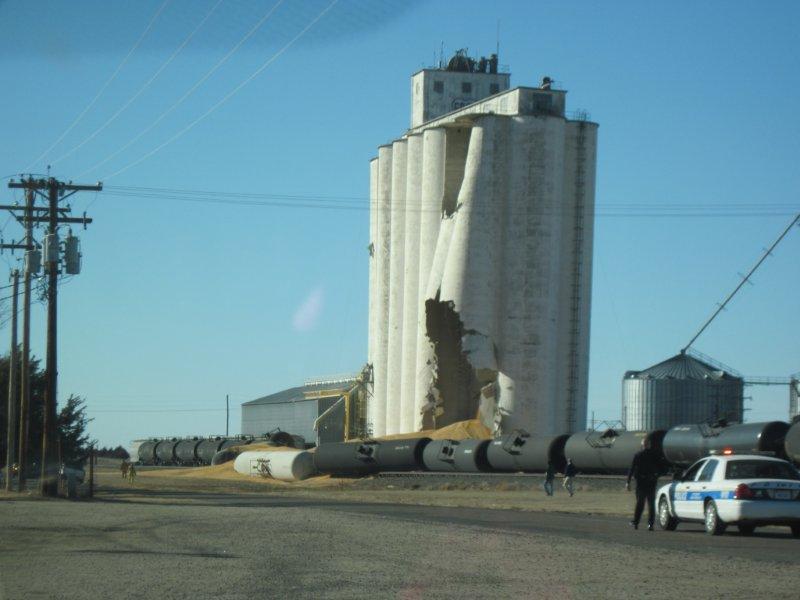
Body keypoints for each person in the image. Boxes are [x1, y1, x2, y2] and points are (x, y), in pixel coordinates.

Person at [626, 437, 665, 530]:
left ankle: (636, 522)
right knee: (651, 503)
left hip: (641, 481)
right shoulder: (655, 455)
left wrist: (628, 481)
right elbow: (662, 468)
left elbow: (632, 468)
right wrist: (656, 475)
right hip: (652, 481)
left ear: (642, 445)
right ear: (649, 445)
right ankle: (650, 524)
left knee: (640, 502)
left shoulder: (638, 455)